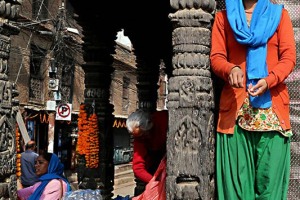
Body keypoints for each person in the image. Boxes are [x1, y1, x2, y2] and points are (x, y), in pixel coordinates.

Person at [210, 0, 296, 199]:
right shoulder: (223, 18)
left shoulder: (279, 16)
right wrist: (231, 69)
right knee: (237, 193)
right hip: (235, 116)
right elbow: (217, 57)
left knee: (270, 191)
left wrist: (269, 80)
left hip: (273, 117)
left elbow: (289, 57)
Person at [126, 109, 168, 196]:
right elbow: (137, 168)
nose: (142, 138)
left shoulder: (163, 119)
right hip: (155, 166)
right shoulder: (139, 138)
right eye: (138, 137)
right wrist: (154, 181)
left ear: (150, 125)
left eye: (144, 134)